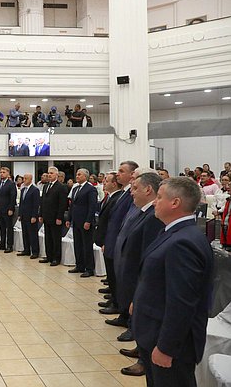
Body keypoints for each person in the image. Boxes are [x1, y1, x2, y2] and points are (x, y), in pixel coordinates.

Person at [132, 177, 213, 387]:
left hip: (169, 343)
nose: (155, 202)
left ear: (175, 203)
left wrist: (167, 347)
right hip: (153, 332)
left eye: (159, 197)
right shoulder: (172, 232)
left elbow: (182, 302)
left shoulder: (183, 242)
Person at [113, 172, 165, 375]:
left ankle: (144, 360)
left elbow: (148, 253)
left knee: (144, 320)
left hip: (140, 276)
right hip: (132, 272)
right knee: (140, 321)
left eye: (135, 188)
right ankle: (141, 348)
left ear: (148, 190)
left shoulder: (152, 216)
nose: (131, 192)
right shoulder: (142, 211)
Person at [102, 161, 138, 323]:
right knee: (116, 277)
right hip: (114, 240)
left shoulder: (131, 194)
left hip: (121, 241)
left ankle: (124, 312)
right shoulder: (124, 192)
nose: (118, 175)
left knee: (123, 280)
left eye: (121, 171)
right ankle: (120, 308)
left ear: (132, 175)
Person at [94, 173, 124, 311]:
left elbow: (113, 222)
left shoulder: (118, 198)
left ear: (114, 183)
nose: (104, 183)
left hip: (110, 240)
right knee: (110, 273)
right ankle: (113, 297)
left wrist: (107, 240)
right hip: (106, 239)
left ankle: (116, 303)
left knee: (113, 273)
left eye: (107, 181)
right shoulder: (110, 197)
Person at [67, 168, 99, 277]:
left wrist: (88, 221)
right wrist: (69, 219)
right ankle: (79, 265)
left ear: (85, 176)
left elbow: (92, 206)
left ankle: (89, 268)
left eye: (79, 174)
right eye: (76, 174)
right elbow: (72, 205)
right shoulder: (75, 188)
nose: (77, 176)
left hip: (85, 221)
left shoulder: (90, 189)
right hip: (76, 221)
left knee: (87, 245)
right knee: (78, 244)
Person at [39, 166, 68, 266]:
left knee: (55, 238)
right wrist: (41, 214)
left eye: (51, 173)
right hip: (46, 216)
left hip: (55, 217)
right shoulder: (46, 186)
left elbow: (62, 204)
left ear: (56, 175)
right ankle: (49, 256)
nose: (49, 175)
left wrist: (59, 217)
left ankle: (56, 258)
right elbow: (43, 201)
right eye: (48, 173)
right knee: (48, 238)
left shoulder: (61, 187)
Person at [0, 167, 16, 253]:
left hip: (7, 209)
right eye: (1, 172)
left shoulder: (11, 184)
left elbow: (12, 197)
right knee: (1, 227)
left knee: (9, 228)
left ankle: (9, 245)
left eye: (3, 172)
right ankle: (2, 244)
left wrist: (11, 208)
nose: (1, 174)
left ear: (8, 174)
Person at [17, 173, 40, 258]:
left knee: (32, 234)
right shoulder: (23, 190)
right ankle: (26, 250)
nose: (24, 180)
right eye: (24, 178)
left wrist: (34, 216)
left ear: (31, 179)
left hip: (31, 216)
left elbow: (36, 204)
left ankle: (35, 251)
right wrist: (19, 214)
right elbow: (21, 203)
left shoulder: (35, 190)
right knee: (25, 234)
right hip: (24, 216)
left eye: (26, 178)